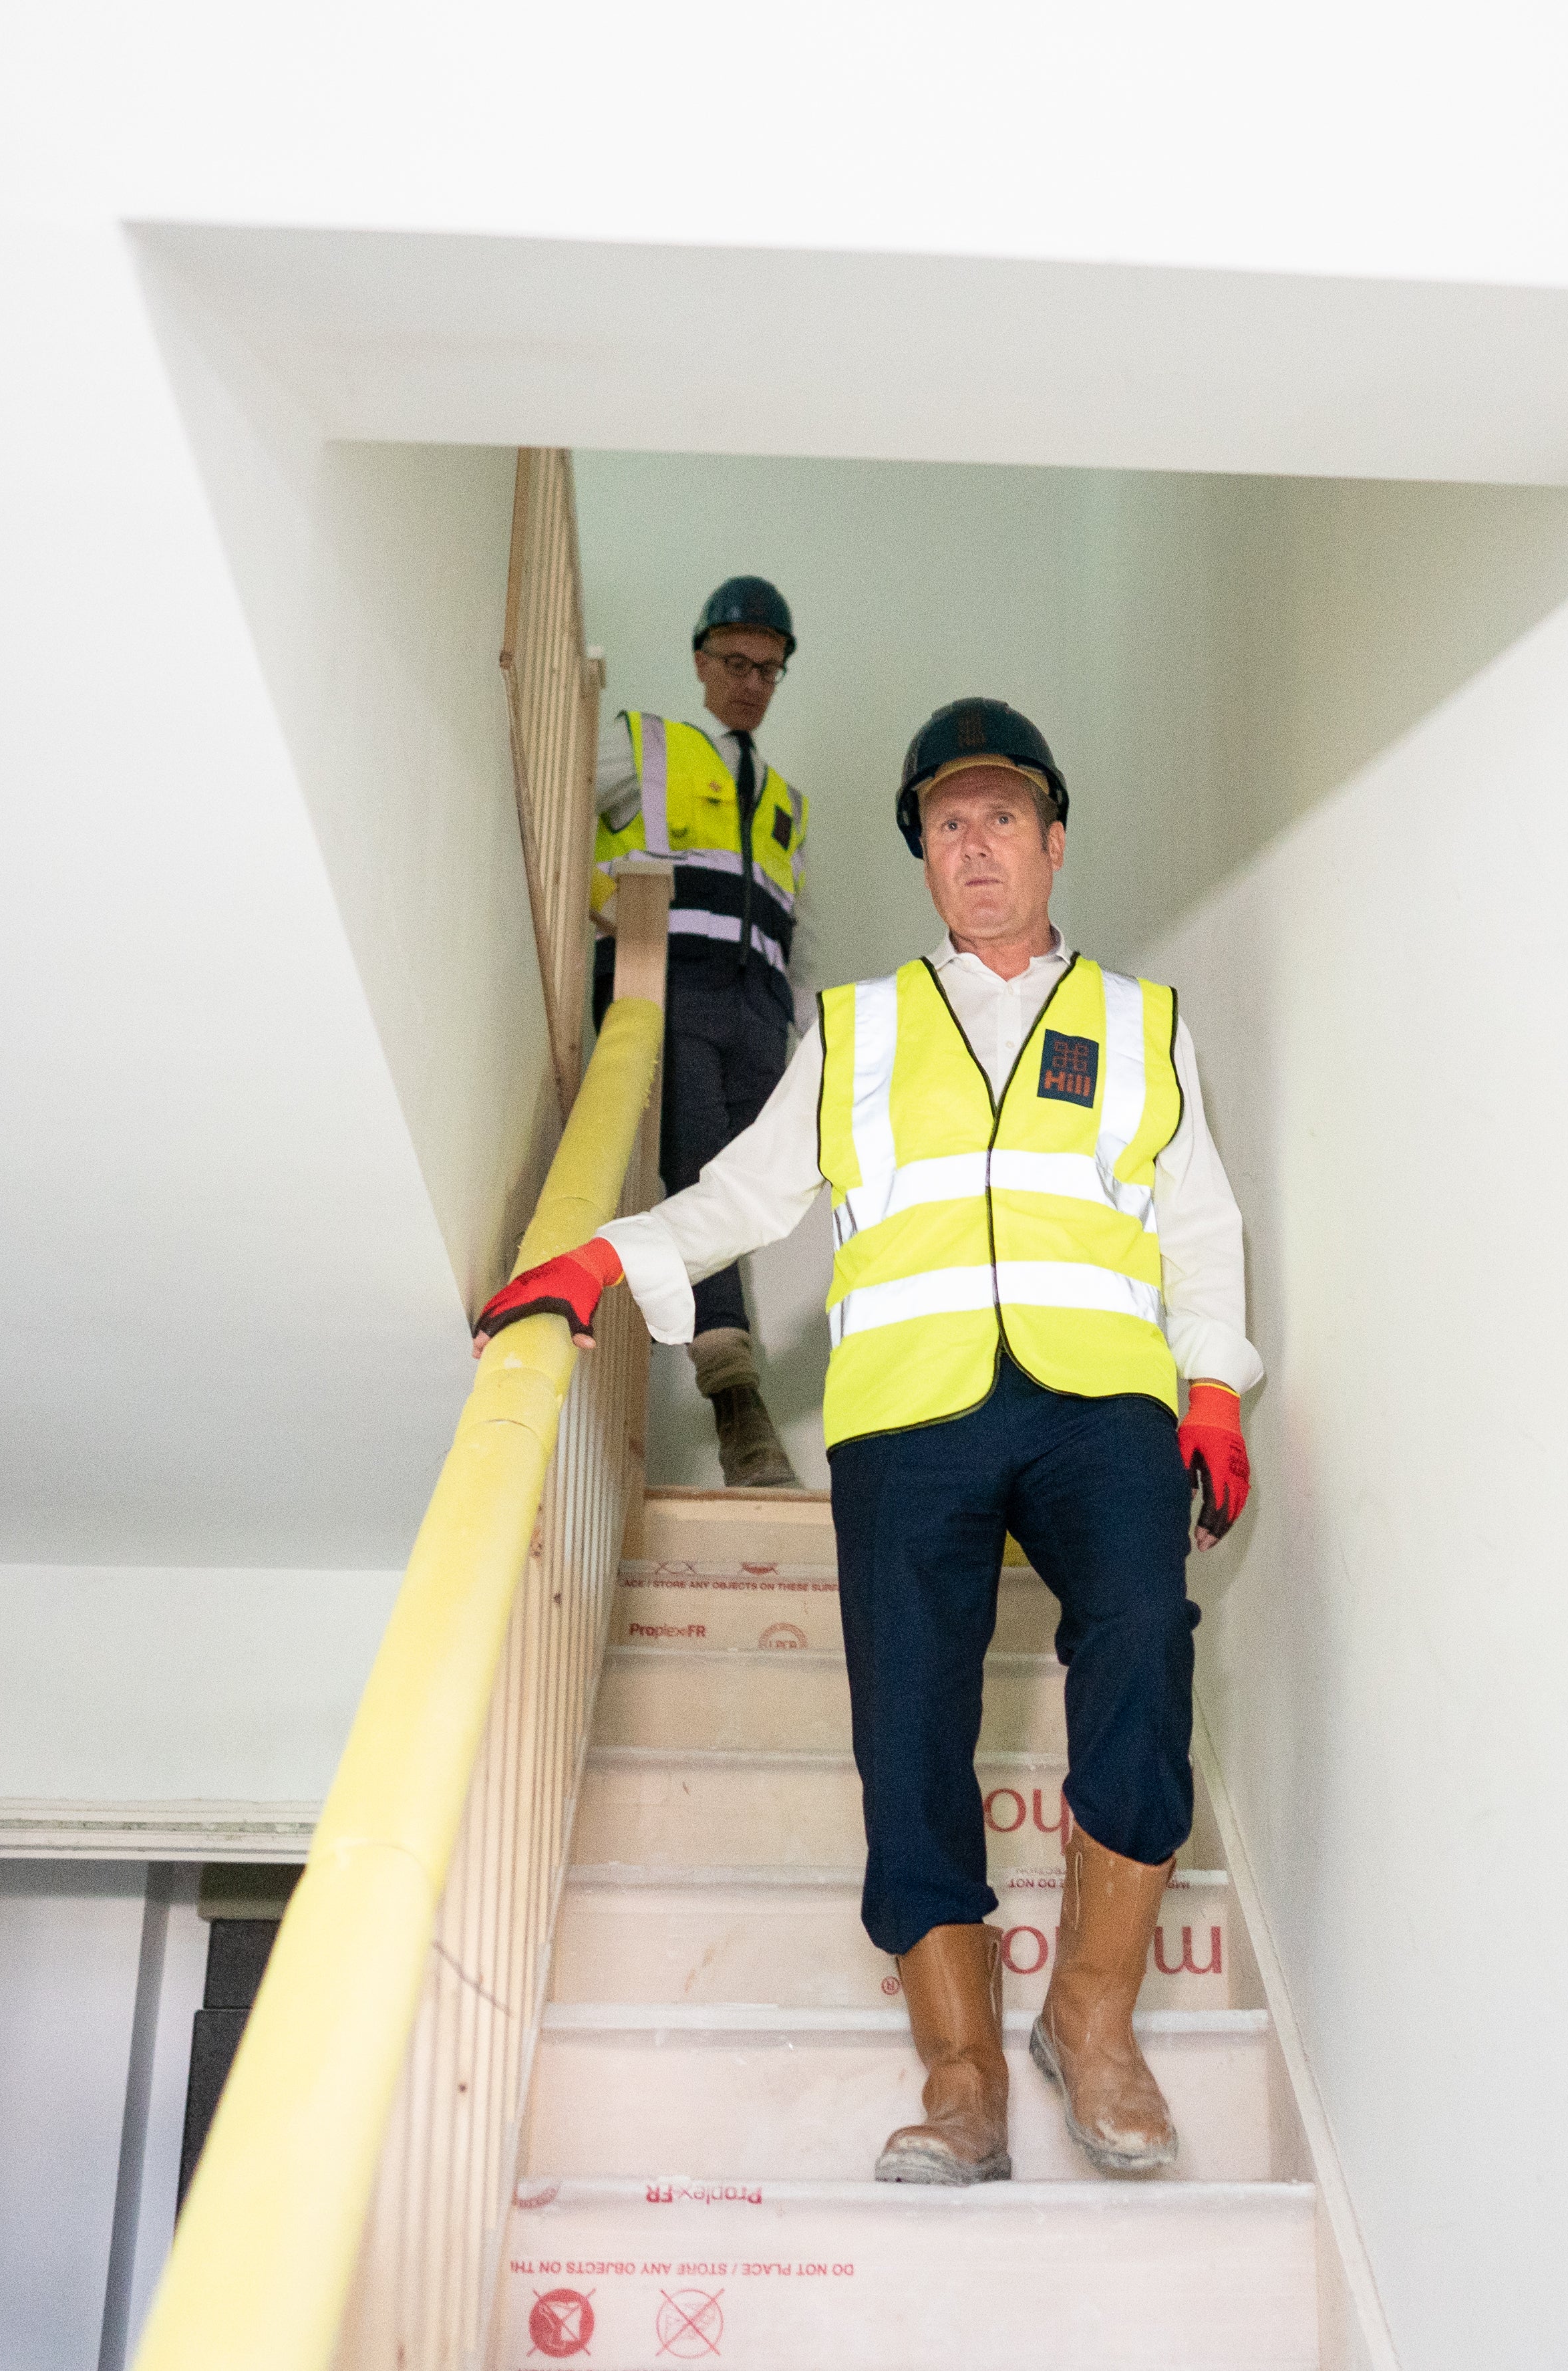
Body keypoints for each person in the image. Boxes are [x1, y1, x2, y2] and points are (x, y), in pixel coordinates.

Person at [478, 696, 1259, 2185]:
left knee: (1148, 1647)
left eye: (1004, 818)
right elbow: (746, 1196)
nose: (978, 846)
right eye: (949, 823)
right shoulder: (855, 1029)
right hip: (911, 1414)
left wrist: (1212, 1383)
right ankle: (961, 2071)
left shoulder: (1144, 1021)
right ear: (924, 855)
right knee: (909, 1729)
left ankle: (1091, 2020)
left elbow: (1200, 1223)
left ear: (1054, 838)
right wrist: (603, 1262)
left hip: (1104, 1398)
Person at [589, 575, 808, 1489]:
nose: (751, 681)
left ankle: (734, 1388)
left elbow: (785, 911)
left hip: (757, 1012)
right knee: (693, 1168)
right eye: (735, 662)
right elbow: (562, 820)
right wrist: (607, 911)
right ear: (699, 661)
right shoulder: (642, 745)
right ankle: (735, 1402)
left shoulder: (789, 800)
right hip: (668, 991)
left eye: (769, 669)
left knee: (739, 1198)